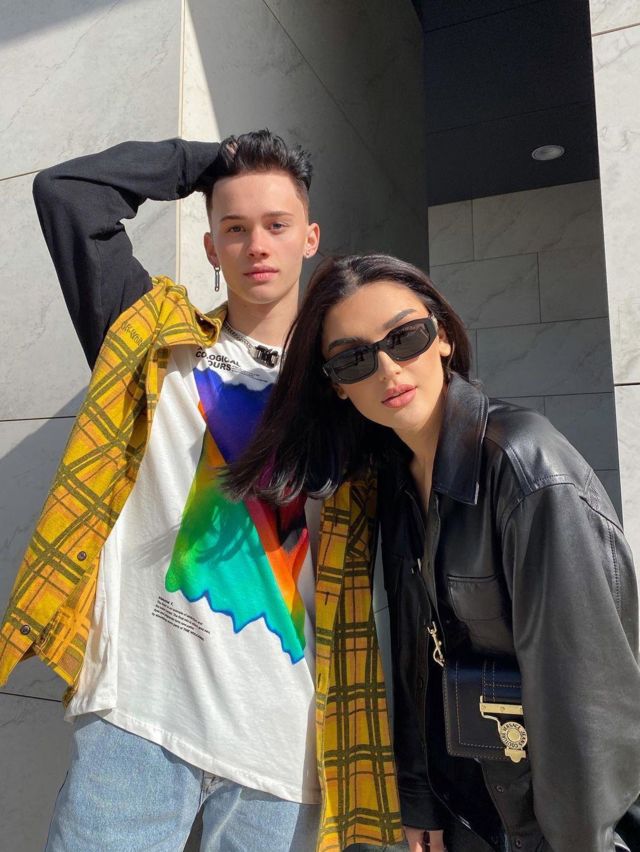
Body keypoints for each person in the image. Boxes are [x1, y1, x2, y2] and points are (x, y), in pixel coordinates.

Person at [226, 253, 640, 852]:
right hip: (469, 811)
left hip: (550, 827)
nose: (388, 369)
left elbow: (588, 706)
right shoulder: (391, 476)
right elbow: (419, 656)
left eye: (405, 337)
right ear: (336, 385)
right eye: (353, 359)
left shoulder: (526, 470)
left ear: (442, 336)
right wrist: (420, 798)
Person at [0, 131, 328, 851]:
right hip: (138, 722)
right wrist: (204, 162)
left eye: (276, 225)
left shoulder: (344, 387)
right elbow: (66, 195)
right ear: (211, 248)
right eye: (234, 229)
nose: (257, 245)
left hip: (279, 747)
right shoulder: (155, 339)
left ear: (310, 238)